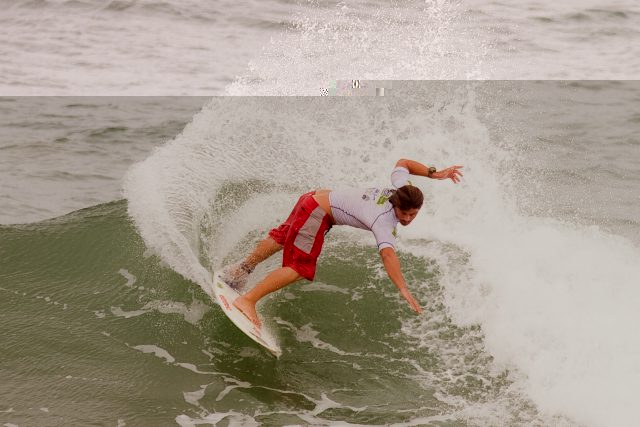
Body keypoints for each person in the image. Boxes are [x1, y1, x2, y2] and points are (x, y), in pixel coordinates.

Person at [221, 159, 463, 329]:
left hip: (312, 198)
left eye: (413, 214)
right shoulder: (383, 221)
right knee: (300, 267)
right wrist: (403, 288)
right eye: (404, 213)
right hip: (318, 211)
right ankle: (248, 300)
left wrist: (435, 173)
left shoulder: (400, 189)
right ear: (395, 205)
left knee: (285, 236)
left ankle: (239, 271)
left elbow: (404, 164)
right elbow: (388, 256)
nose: (407, 219)